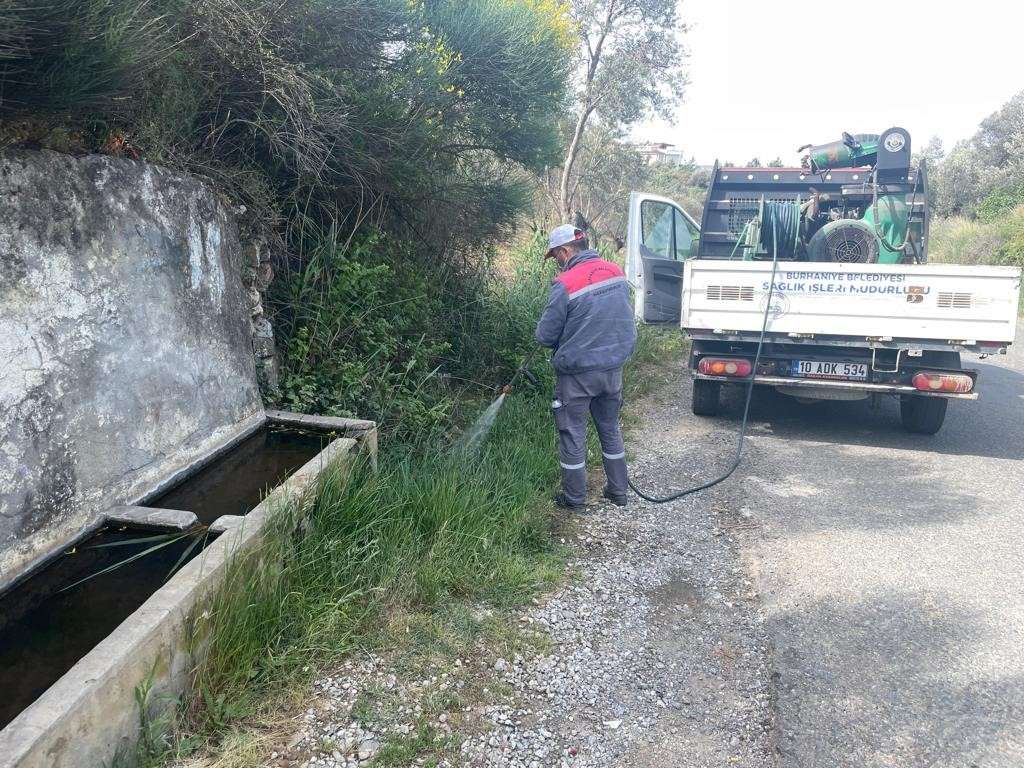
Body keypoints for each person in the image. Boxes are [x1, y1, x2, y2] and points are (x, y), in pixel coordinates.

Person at [535, 224, 637, 509]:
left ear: (566, 250)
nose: (556, 260)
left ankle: (574, 499)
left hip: (578, 374)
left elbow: (545, 336)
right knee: (610, 428)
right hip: (613, 370)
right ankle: (618, 492)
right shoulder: (615, 272)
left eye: (555, 254)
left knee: (572, 432)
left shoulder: (566, 283)